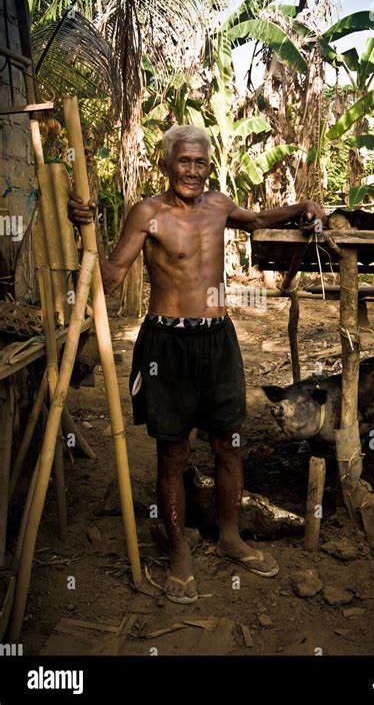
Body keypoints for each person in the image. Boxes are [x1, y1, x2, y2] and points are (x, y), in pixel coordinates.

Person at [69, 125, 325, 604]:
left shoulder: (220, 205)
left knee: (229, 443)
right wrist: (79, 226)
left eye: (200, 162)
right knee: (173, 452)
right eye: (183, 161)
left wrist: (302, 206)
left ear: (210, 166)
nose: (192, 170)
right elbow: (110, 273)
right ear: (165, 164)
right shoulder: (148, 212)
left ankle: (230, 537)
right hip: (166, 344)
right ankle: (180, 550)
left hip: (218, 340)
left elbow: (259, 219)